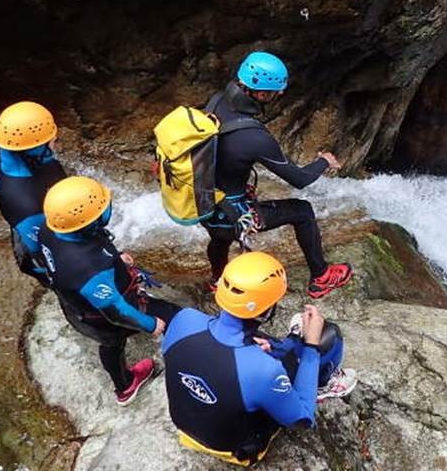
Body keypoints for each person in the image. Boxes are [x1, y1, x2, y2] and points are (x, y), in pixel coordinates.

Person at [162, 251, 357, 466]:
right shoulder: (264, 371)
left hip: (187, 426)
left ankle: (292, 339)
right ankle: (323, 382)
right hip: (236, 447)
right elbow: (303, 420)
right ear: (265, 312)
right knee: (327, 339)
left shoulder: (183, 319)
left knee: (259, 344)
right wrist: (311, 345)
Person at [202, 51, 353, 299]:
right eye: (275, 91)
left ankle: (218, 279)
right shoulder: (255, 137)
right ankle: (321, 277)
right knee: (302, 211)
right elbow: (300, 179)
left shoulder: (216, 101)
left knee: (220, 237)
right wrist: (323, 161)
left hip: (204, 203)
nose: (280, 94)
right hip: (231, 214)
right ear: (261, 94)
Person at [39, 176, 182, 405]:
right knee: (175, 315)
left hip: (77, 307)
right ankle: (184, 364)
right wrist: (150, 324)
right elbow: (117, 311)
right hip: (101, 316)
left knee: (110, 346)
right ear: (86, 223)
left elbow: (86, 249)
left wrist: (116, 259)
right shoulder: (91, 269)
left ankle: (124, 386)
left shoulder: (50, 229)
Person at [0, 101, 68, 286]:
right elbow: (51, 254)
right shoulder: (27, 205)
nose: (55, 141)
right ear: (33, 148)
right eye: (50, 140)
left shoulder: (11, 150)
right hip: (42, 256)